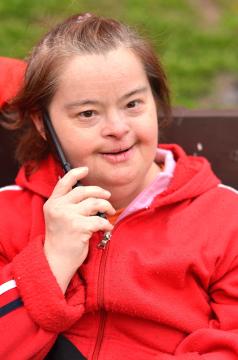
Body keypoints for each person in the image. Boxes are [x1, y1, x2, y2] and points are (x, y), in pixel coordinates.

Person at [0, 12, 238, 360]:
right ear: (42, 123)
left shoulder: (223, 217)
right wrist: (52, 262)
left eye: (132, 104)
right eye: (88, 113)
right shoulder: (10, 215)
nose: (117, 128)